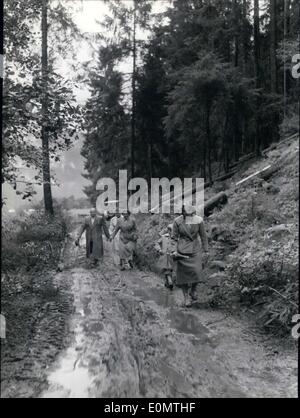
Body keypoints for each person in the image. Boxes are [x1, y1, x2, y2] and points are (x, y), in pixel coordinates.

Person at [173, 205, 209, 307]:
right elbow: (174, 238)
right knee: (183, 276)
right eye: (187, 214)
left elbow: (203, 236)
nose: (190, 216)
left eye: (191, 214)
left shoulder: (199, 220)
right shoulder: (177, 221)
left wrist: (206, 250)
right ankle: (186, 297)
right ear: (183, 213)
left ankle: (193, 290)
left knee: (197, 271)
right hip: (182, 250)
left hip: (195, 249)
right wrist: (173, 250)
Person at [154, 224, 176, 290]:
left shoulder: (176, 238)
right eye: (171, 231)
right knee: (166, 269)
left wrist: (176, 252)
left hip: (173, 257)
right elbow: (157, 243)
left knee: (170, 270)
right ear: (169, 231)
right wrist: (159, 249)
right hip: (164, 256)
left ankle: (167, 282)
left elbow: (179, 246)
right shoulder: (164, 237)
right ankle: (170, 282)